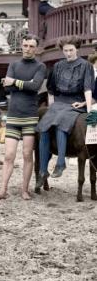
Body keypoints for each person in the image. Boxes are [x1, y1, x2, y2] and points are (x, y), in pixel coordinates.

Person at [0, 34, 46, 200]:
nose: (28, 49)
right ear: (21, 46)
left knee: (27, 154)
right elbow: (7, 89)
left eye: (31, 46)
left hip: (30, 117)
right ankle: (3, 190)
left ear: (36, 49)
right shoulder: (14, 64)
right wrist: (23, 84)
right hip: (13, 116)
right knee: (9, 155)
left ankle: (24, 190)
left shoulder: (40, 66)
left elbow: (35, 86)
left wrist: (14, 82)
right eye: (25, 45)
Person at [37, 36, 94, 186]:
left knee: (61, 122)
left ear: (77, 49)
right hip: (59, 103)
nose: (68, 53)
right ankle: (43, 171)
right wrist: (51, 107)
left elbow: (88, 89)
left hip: (76, 103)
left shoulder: (85, 65)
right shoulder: (57, 66)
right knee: (43, 127)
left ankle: (61, 162)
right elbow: (51, 89)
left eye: (71, 50)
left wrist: (87, 109)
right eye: (65, 50)